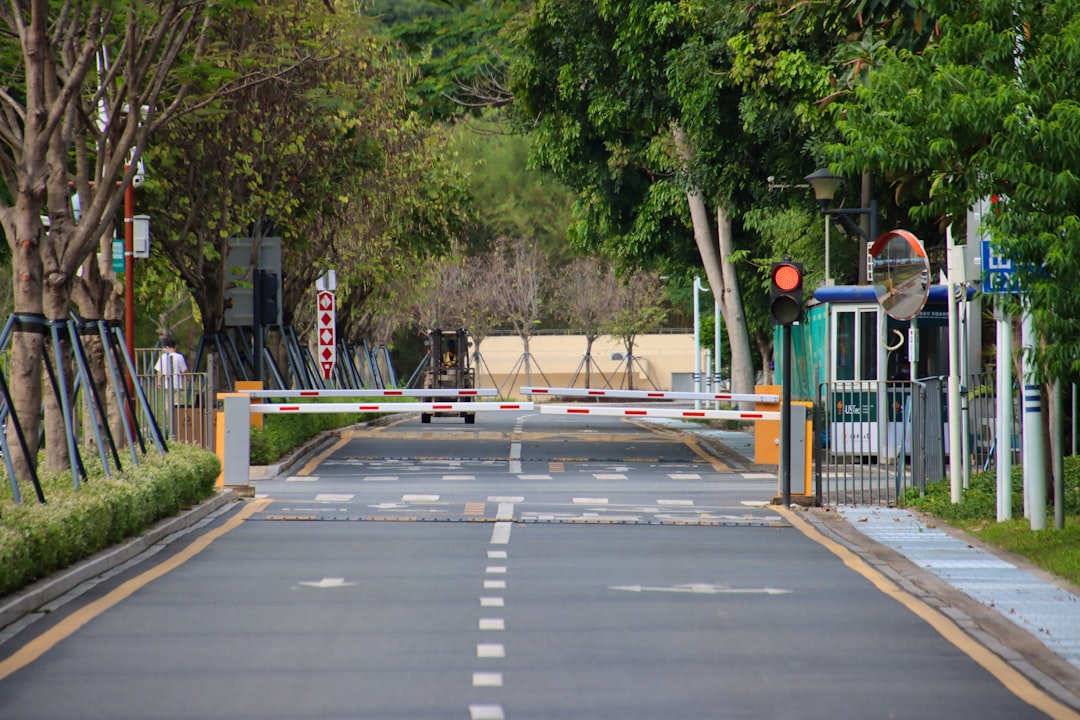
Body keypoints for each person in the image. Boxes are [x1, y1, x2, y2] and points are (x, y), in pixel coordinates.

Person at [154, 338, 189, 406]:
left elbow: (159, 371)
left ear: (166, 347)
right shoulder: (179, 357)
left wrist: (159, 381)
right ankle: (177, 416)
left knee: (167, 403)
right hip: (177, 384)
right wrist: (188, 378)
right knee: (178, 403)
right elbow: (184, 370)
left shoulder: (162, 357)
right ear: (175, 346)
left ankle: (168, 416)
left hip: (167, 384)